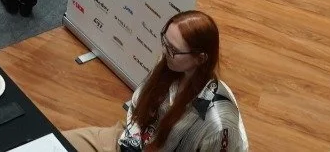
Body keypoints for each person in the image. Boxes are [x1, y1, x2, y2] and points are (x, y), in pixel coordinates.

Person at [60, 11, 248, 152]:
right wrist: (132, 139)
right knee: (56, 143)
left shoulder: (218, 122)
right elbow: (138, 107)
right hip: (131, 140)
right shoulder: (169, 65)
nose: (165, 52)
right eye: (165, 42)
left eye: (173, 50)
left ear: (200, 58)